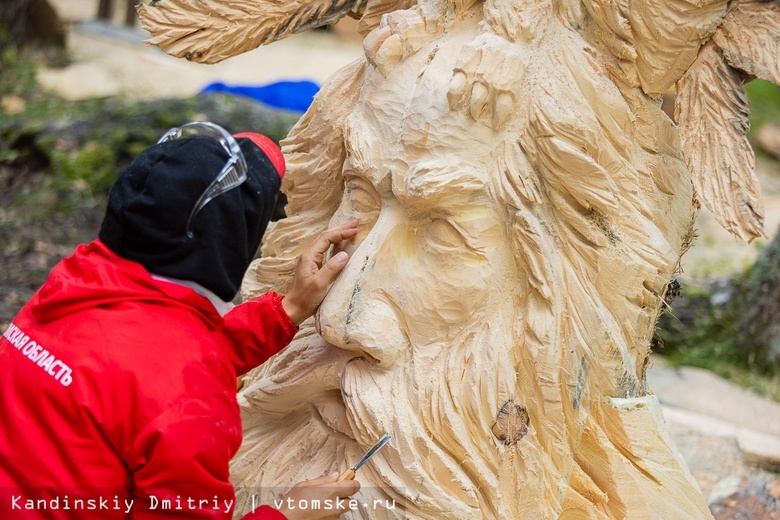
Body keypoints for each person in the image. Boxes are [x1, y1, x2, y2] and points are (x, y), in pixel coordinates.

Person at [0, 121, 360, 519]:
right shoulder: (190, 400)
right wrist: (289, 513)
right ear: (227, 243)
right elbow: (167, 379)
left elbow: (146, 366)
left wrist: (287, 309)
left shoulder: (75, 283)